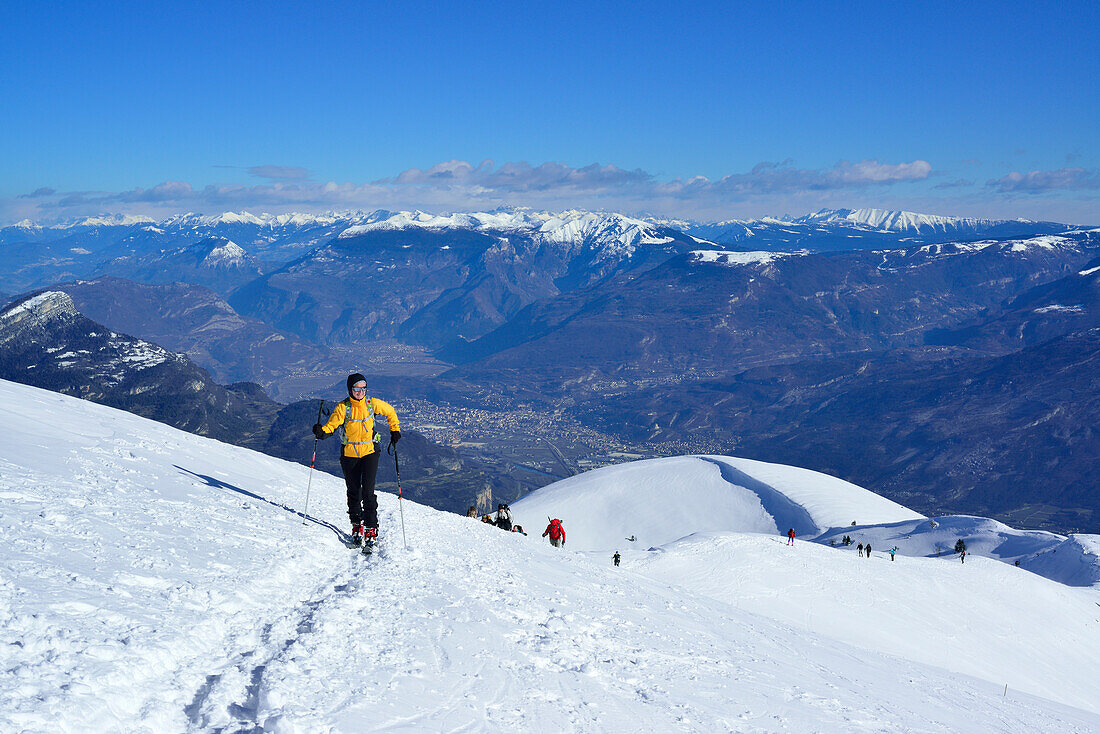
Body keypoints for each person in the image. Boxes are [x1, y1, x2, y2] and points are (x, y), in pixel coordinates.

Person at [313, 373, 400, 548]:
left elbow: (389, 411)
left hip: (370, 452)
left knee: (368, 491)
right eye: (356, 388)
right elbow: (332, 425)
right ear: (350, 388)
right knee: (353, 492)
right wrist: (322, 432)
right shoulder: (342, 408)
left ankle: (370, 527)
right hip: (349, 454)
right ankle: (356, 525)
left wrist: (395, 429)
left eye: (363, 388)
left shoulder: (371, 403)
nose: (360, 392)